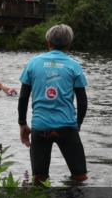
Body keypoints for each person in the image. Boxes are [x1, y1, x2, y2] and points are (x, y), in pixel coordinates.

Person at [18, 24, 89, 184]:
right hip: (66, 127)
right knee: (80, 177)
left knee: (39, 180)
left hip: (40, 127)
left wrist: (23, 124)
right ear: (69, 44)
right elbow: (82, 101)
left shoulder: (33, 63)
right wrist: (77, 124)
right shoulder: (74, 66)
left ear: (48, 42)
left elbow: (23, 97)